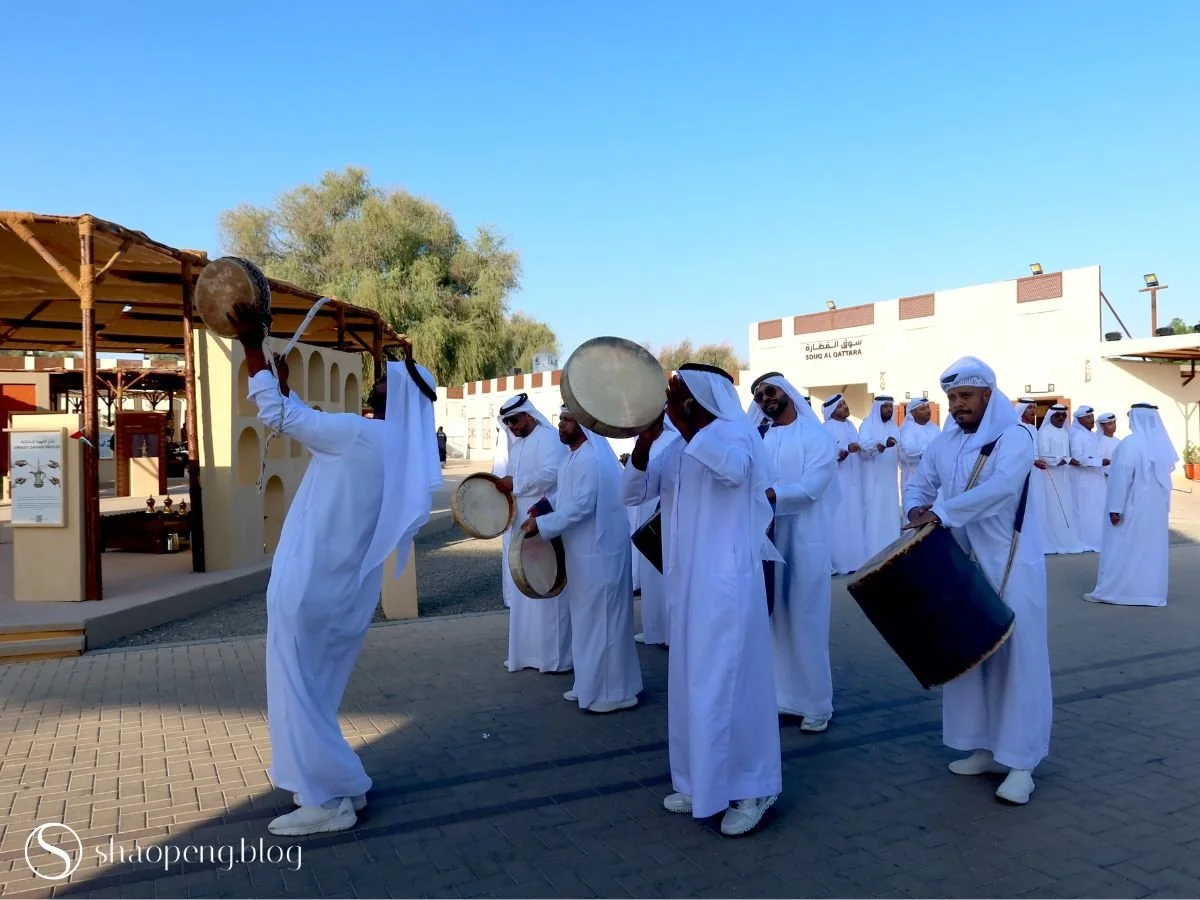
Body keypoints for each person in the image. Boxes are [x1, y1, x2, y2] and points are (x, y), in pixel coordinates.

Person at [227, 301, 442, 836]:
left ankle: (331, 796)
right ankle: (337, 787)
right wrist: (283, 385)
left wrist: (252, 345)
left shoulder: (360, 435)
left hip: (312, 588)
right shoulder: (399, 450)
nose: (374, 389)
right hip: (344, 596)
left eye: (384, 387)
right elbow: (307, 421)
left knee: (298, 693)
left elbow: (279, 418)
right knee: (314, 694)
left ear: (398, 401)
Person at [623, 363, 782, 836]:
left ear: (703, 396)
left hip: (728, 585)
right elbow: (630, 493)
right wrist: (645, 444)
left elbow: (734, 474)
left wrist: (691, 429)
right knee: (693, 684)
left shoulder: (738, 435)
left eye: (679, 393)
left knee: (731, 685)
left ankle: (754, 786)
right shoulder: (674, 447)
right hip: (688, 586)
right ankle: (700, 781)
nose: (671, 401)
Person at [903, 356, 1052, 806]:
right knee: (971, 657)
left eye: (965, 396)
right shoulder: (944, 443)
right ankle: (985, 747)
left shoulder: (1017, 436)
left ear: (989, 395)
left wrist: (942, 512)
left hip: (1013, 563)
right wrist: (914, 508)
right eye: (951, 398)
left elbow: (1004, 488)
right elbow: (920, 484)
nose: (957, 405)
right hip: (962, 565)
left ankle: (1023, 762)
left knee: (1017, 660)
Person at [520, 407, 644, 712]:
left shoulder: (591, 457)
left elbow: (582, 506)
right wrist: (545, 505)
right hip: (583, 554)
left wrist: (543, 525)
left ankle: (613, 693)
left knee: (603, 623)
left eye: (566, 420)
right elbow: (567, 495)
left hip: (600, 555)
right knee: (587, 621)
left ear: (583, 426)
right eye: (560, 418)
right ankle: (589, 683)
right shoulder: (574, 455)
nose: (560, 424)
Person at [747, 373, 838, 732]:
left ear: (787, 393)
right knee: (774, 618)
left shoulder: (816, 435)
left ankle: (817, 703)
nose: (764, 399)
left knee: (806, 618)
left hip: (805, 541)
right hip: (766, 538)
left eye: (770, 391)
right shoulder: (759, 438)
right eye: (757, 396)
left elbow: (813, 487)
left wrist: (771, 496)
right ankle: (782, 697)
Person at [495, 394, 572, 673]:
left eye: (515, 420)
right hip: (521, 525)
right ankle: (525, 654)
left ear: (528, 415)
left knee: (546, 586)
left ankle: (554, 659)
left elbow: (552, 475)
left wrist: (514, 484)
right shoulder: (517, 447)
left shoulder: (549, 439)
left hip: (544, 521)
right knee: (524, 587)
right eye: (507, 423)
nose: (512, 426)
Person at [1085, 404, 1177, 608]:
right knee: (1150, 548)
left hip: (1133, 505)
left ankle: (1119, 591)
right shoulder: (1161, 444)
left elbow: (1122, 476)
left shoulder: (1131, 443)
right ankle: (1151, 593)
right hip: (1156, 508)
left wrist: (1115, 508)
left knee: (1123, 546)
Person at [623, 415, 681, 647]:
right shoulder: (649, 441)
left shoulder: (673, 439)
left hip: (664, 518)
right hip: (645, 512)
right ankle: (654, 630)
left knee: (666, 578)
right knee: (651, 579)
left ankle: (669, 634)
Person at [821, 394, 869, 575]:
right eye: (840, 405)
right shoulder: (826, 428)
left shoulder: (851, 426)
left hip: (854, 482)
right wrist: (839, 453)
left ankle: (856, 562)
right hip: (838, 483)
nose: (845, 407)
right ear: (832, 410)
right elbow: (823, 454)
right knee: (839, 523)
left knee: (854, 519)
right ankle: (839, 563)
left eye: (845, 404)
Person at [1035, 404, 1086, 555]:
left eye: (1064, 415)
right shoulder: (1044, 432)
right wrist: (1060, 460)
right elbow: (1043, 454)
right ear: (1051, 416)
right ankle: (1053, 541)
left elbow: (1068, 454)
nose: (1061, 418)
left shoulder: (1065, 432)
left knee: (1066, 507)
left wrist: (1070, 460)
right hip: (1051, 476)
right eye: (1058, 415)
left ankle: (1066, 539)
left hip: (1065, 476)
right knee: (1053, 508)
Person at [857, 395, 903, 558]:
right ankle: (871, 555)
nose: (889, 410)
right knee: (873, 516)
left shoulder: (894, 426)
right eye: (885, 407)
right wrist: (881, 444)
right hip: (872, 479)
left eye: (891, 407)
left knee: (890, 514)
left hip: (889, 480)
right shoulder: (867, 424)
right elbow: (862, 447)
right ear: (877, 408)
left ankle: (891, 552)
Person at [1068, 406, 1106, 552]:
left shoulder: (1091, 435)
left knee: (1096, 509)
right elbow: (1077, 458)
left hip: (1095, 479)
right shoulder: (1077, 435)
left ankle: (1097, 539)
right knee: (1085, 511)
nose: (1092, 420)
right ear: (1080, 419)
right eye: (1088, 417)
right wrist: (1099, 461)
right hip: (1083, 479)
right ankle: (1085, 541)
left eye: (1092, 417)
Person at [897, 399, 940, 496]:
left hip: (935, 478)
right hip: (914, 477)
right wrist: (930, 451)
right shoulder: (906, 430)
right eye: (923, 409)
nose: (928, 411)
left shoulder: (935, 428)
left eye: (928, 408)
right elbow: (908, 451)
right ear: (913, 413)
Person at [1096, 412, 1120, 477]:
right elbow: (1099, 462)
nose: (1113, 425)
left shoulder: (1118, 441)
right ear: (1102, 426)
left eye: (1114, 422)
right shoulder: (1099, 442)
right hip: (1104, 478)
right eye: (1109, 424)